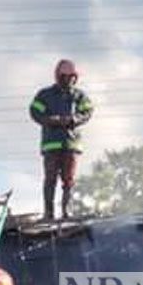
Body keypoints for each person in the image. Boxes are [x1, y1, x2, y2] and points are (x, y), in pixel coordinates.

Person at [29, 58, 93, 220]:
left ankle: (66, 212)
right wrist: (52, 120)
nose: (68, 79)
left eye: (71, 76)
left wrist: (73, 119)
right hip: (51, 144)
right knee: (50, 179)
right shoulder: (45, 95)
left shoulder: (79, 96)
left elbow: (87, 111)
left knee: (68, 180)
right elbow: (35, 112)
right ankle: (49, 213)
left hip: (71, 144)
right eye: (65, 76)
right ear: (58, 76)